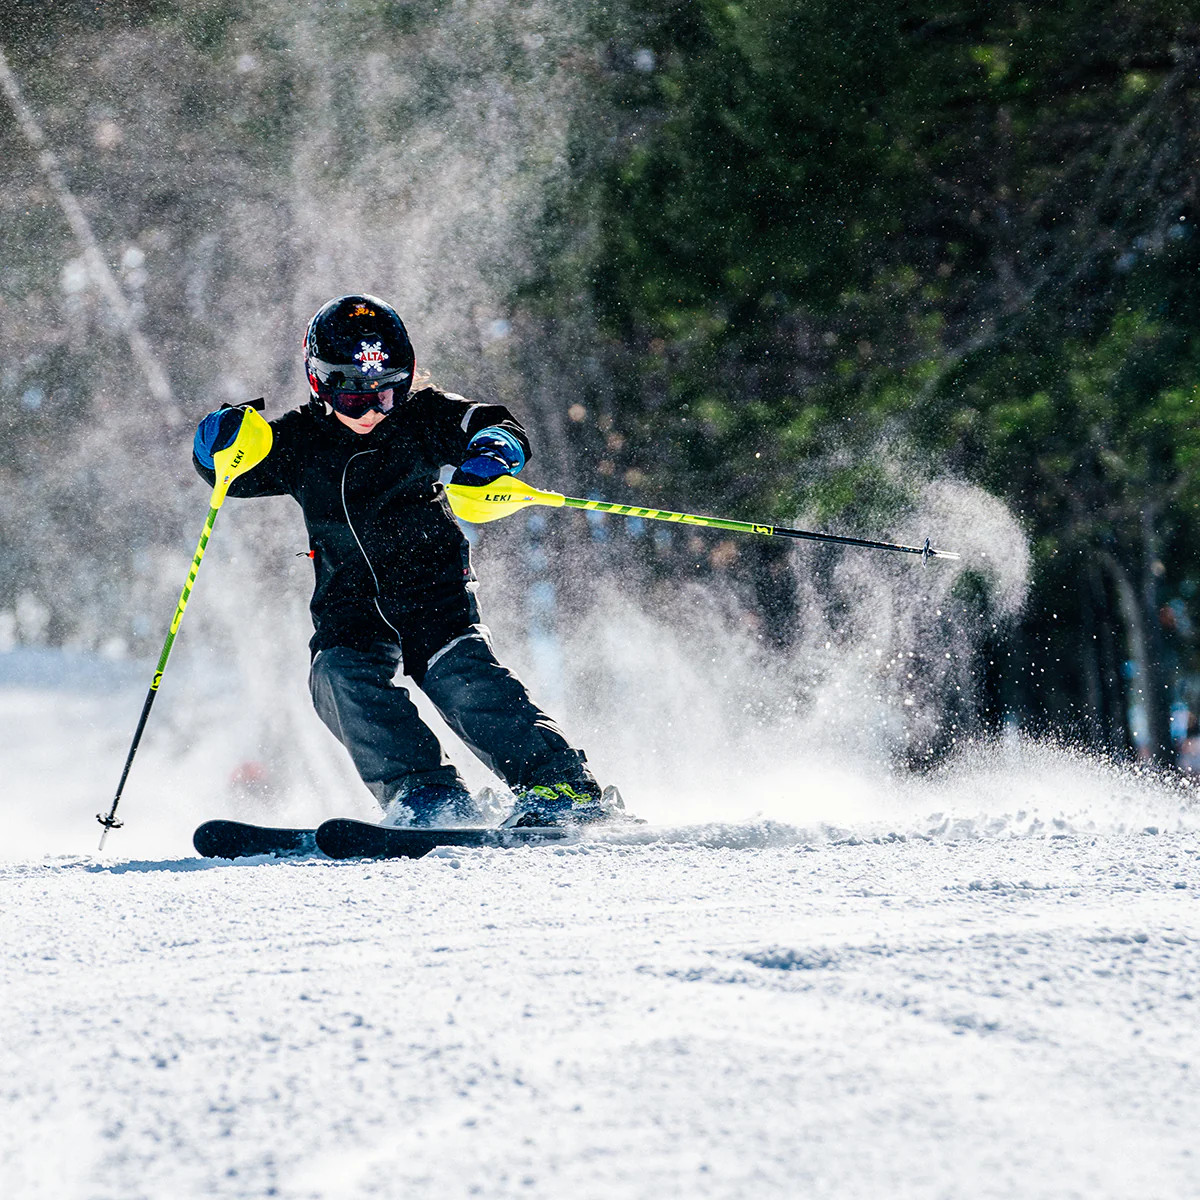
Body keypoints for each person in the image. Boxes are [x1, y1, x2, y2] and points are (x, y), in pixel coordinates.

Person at [192, 293, 618, 829]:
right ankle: (426, 794)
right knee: (337, 677)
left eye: (387, 394)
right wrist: (219, 444)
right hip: (350, 606)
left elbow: (489, 423)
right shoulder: (299, 441)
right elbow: (232, 475)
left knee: (464, 680)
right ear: (320, 385)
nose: (372, 410)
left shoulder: (422, 418)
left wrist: (491, 452)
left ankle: (560, 787)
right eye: (354, 400)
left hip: (431, 592)